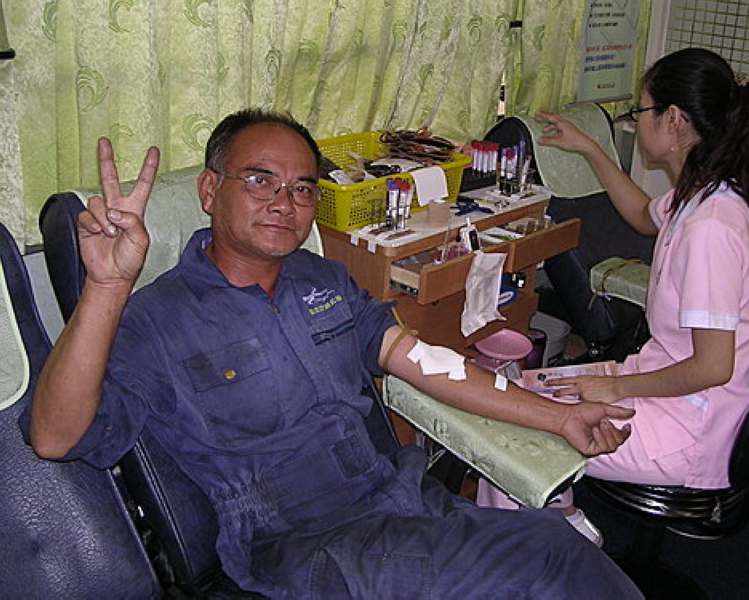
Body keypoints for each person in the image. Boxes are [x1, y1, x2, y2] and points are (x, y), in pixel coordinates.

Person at [25, 109, 642, 598]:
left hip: (403, 504)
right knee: (548, 563)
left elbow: (428, 363)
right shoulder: (155, 320)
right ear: (210, 190)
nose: (284, 201)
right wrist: (106, 286)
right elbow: (53, 438)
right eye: (259, 179)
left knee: (554, 546)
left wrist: (559, 416)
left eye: (302, 188)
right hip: (307, 547)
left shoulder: (324, 280)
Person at [480, 48, 749, 542]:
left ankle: (525, 554)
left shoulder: (712, 229)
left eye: (642, 110)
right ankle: (561, 521)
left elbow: (712, 367)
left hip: (693, 427)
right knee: (517, 391)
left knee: (511, 431)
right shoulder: (704, 194)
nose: (638, 122)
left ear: (674, 120)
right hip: (672, 388)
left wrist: (617, 388)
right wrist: (591, 149)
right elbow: (641, 215)